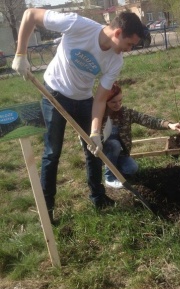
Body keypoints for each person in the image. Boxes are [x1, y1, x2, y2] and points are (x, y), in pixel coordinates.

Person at [12, 8, 145, 223]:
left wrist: (94, 132)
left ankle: (98, 197)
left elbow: (100, 99)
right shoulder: (77, 24)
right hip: (54, 92)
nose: (129, 50)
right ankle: (47, 209)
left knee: (94, 150)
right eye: (129, 44)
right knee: (52, 152)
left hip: (83, 99)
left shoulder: (115, 61)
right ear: (118, 33)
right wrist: (20, 54)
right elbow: (29, 15)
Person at [101, 82, 180, 189]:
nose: (118, 105)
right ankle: (110, 178)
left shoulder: (125, 113)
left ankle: (113, 165)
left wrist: (169, 125)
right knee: (114, 144)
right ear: (105, 101)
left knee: (131, 169)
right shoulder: (99, 115)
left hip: (120, 153)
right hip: (102, 151)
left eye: (120, 101)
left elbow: (146, 119)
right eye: (113, 102)